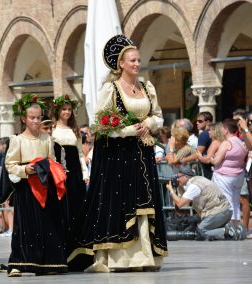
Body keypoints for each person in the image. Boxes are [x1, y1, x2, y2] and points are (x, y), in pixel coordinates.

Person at [68, 35, 167, 272]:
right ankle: (123, 258)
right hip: (120, 157)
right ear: (121, 63)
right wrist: (129, 129)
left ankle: (145, 256)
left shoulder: (146, 88)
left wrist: (150, 124)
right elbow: (99, 124)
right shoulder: (110, 89)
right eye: (132, 60)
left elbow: (159, 115)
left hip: (143, 152)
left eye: (138, 60)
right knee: (125, 202)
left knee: (146, 201)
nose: (136, 64)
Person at [5, 93, 68, 277]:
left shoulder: (46, 139)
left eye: (38, 117)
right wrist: (26, 170)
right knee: (25, 225)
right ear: (24, 119)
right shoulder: (17, 140)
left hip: (44, 184)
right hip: (26, 188)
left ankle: (48, 263)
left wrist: (51, 169)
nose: (35, 121)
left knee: (47, 223)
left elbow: (52, 160)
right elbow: (10, 165)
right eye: (31, 118)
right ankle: (18, 262)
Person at [51, 95, 89, 270]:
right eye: (63, 109)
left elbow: (80, 154)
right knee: (62, 211)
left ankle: (78, 254)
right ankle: (61, 253)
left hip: (75, 175)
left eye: (69, 109)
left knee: (77, 209)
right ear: (57, 110)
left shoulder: (75, 130)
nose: (66, 112)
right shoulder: (51, 128)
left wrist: (84, 173)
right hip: (59, 173)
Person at [166, 165, 235, 240]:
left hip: (218, 213)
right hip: (225, 211)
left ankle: (225, 231)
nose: (177, 179)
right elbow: (184, 203)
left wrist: (171, 191)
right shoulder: (199, 179)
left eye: (179, 177)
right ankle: (227, 229)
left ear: (186, 176)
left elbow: (179, 204)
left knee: (199, 233)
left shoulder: (194, 187)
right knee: (205, 230)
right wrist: (179, 188)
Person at [211, 119, 248, 235]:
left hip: (224, 176)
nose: (221, 130)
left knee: (227, 201)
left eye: (222, 128)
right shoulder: (240, 142)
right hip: (239, 175)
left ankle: (230, 227)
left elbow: (216, 161)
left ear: (226, 130)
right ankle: (236, 225)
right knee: (236, 201)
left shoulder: (226, 143)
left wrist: (212, 158)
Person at [182, 112, 213, 178]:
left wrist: (184, 160)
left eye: (200, 121)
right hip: (213, 167)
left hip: (208, 169)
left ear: (207, 122)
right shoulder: (213, 133)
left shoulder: (204, 134)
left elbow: (197, 153)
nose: (197, 123)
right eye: (197, 121)